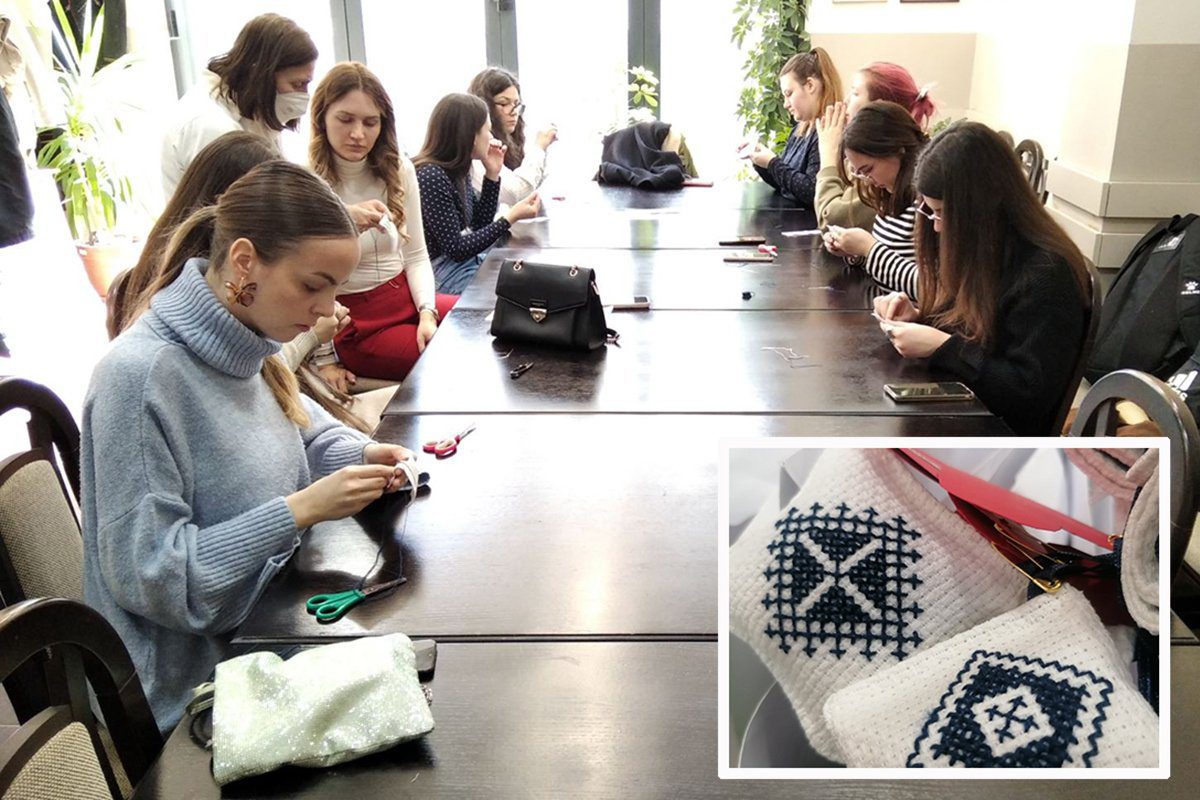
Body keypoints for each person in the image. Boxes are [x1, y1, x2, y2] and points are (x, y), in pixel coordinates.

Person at [81, 161, 417, 732]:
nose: (327, 309)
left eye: (335, 288)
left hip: (264, 622)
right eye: (313, 285)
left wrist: (361, 455)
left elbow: (305, 428)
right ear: (244, 261)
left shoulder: (246, 341)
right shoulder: (139, 380)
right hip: (191, 692)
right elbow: (156, 577)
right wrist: (300, 510)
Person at [874, 122, 1090, 436]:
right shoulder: (987, 249)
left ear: (982, 207)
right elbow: (975, 331)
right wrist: (919, 318)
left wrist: (944, 347)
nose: (937, 227)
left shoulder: (1047, 275)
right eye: (931, 212)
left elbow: (1028, 394)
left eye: (942, 213)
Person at [307, 62, 457, 384]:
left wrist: (427, 312)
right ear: (321, 117)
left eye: (370, 122)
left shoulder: (399, 168)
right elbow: (306, 280)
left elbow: (416, 255)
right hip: (356, 324)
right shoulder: (306, 180)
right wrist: (324, 360)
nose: (358, 134)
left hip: (406, 298)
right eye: (345, 119)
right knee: (449, 363)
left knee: (485, 322)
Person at [160, 13, 317, 197]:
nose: (303, 95)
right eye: (297, 84)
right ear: (259, 73)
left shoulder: (254, 112)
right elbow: (240, 206)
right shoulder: (211, 126)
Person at [413, 93, 540, 294]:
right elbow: (456, 249)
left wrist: (492, 175)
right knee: (513, 294)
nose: (491, 137)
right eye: (487, 131)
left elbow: (479, 224)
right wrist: (510, 218)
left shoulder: (458, 169)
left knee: (525, 278)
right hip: (440, 272)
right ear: (471, 136)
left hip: (460, 263)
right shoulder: (431, 176)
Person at [821, 101, 928, 300]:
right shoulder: (889, 195)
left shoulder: (926, 205)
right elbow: (889, 263)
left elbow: (929, 289)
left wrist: (868, 248)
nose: (867, 180)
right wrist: (854, 252)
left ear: (897, 149)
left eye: (868, 170)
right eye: (860, 173)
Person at [815, 63, 936, 228]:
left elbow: (832, 219)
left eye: (855, 93)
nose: (846, 101)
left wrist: (828, 153)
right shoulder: (874, 162)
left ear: (879, 108)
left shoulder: (890, 173)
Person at [740, 47, 842, 207]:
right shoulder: (799, 131)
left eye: (789, 94)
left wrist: (772, 163)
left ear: (810, 85)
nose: (785, 104)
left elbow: (813, 192)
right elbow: (786, 184)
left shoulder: (828, 133)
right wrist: (760, 160)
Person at [467, 67, 557, 213]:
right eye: (503, 104)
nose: (513, 112)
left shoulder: (510, 139)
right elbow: (518, 193)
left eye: (516, 104)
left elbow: (532, 186)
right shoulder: (477, 146)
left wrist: (544, 149)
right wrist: (539, 148)